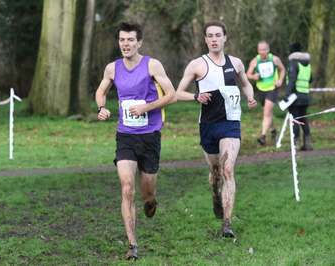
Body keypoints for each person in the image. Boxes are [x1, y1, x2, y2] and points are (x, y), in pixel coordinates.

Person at [95, 21, 176, 260]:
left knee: (145, 194)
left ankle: (150, 201)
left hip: (150, 137)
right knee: (127, 188)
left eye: (130, 40)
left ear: (139, 42)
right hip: (126, 136)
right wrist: (101, 108)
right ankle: (133, 245)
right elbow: (101, 92)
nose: (125, 44)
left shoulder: (152, 64)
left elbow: (171, 95)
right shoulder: (112, 68)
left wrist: (147, 107)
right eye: (122, 40)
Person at [176, 20, 257, 237]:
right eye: (210, 35)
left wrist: (250, 97)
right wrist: (195, 96)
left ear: (225, 38)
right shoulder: (196, 65)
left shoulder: (236, 63)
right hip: (208, 125)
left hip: (230, 123)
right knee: (215, 174)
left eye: (218, 35)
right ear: (205, 39)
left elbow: (246, 84)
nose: (214, 39)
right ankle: (215, 193)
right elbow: (177, 93)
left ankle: (227, 224)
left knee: (227, 169)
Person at [246, 41, 285, 146]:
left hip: (272, 88)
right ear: (258, 50)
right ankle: (273, 131)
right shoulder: (255, 61)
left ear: (268, 50)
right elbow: (248, 74)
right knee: (268, 113)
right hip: (261, 89)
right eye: (260, 50)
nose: (262, 52)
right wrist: (253, 76)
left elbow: (282, 69)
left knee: (267, 112)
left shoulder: (275, 59)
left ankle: (263, 135)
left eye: (264, 50)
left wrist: (280, 80)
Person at [284, 42, 313, 150]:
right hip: (305, 95)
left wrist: (287, 94)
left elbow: (292, 80)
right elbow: (311, 79)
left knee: (295, 119)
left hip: (295, 97)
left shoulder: (293, 63)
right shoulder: (307, 63)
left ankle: (295, 145)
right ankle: (308, 144)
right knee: (303, 119)